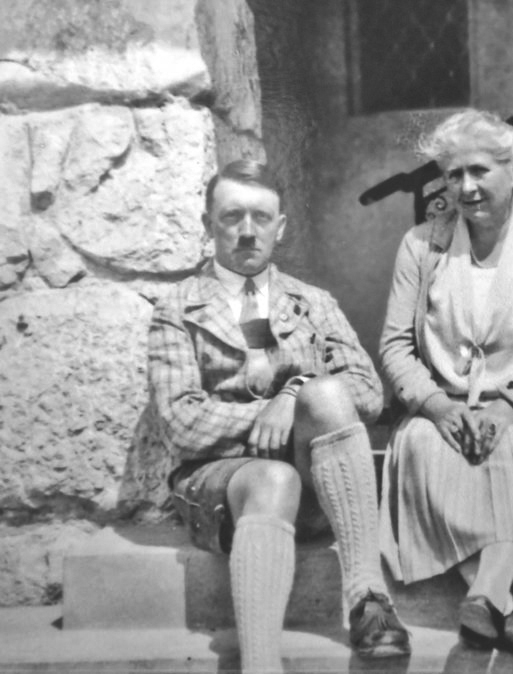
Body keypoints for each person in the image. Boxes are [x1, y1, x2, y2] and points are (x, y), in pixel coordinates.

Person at [148, 160, 410, 672]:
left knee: (327, 393)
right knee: (273, 478)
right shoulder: (177, 308)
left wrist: (293, 396)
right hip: (223, 488)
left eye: (261, 218)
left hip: (318, 482)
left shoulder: (313, 302)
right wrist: (262, 417)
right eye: (232, 216)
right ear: (207, 224)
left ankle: (368, 597)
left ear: (281, 227)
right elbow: (180, 422)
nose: (248, 231)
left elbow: (368, 393)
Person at [378, 109, 513, 651]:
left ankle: (490, 589)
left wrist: (509, 405)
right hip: (444, 404)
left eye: (480, 170)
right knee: (422, 446)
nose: (466, 187)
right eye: (453, 175)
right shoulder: (421, 245)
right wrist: (436, 406)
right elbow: (395, 347)